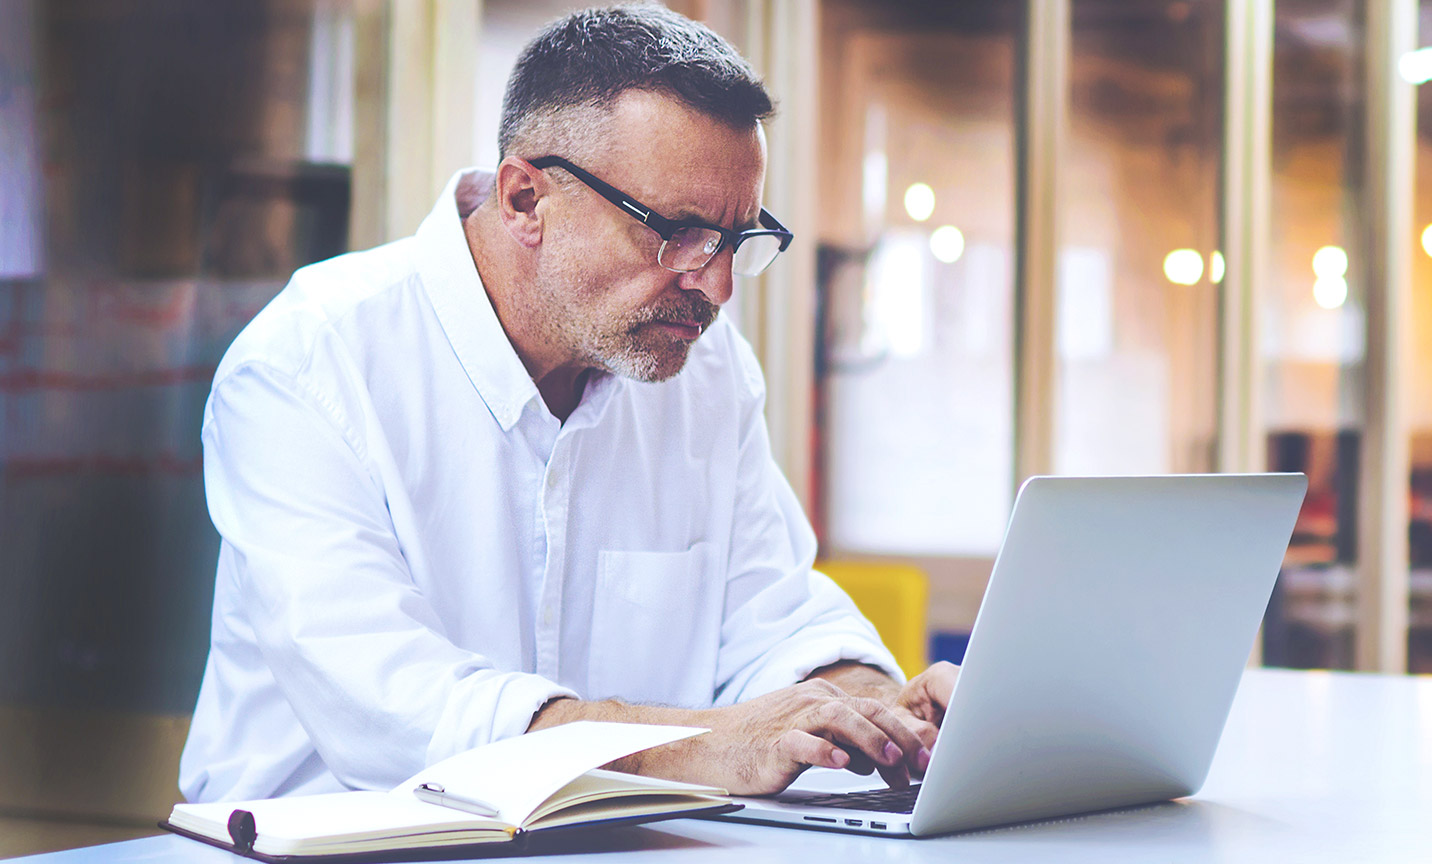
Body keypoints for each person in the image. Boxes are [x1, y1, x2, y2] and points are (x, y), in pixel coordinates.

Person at [179, 4, 956, 804]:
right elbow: (396, 708)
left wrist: (872, 709)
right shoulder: (308, 367)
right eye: (680, 233)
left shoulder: (706, 366)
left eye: (735, 242)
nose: (717, 287)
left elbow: (773, 618)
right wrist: (697, 745)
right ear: (525, 201)